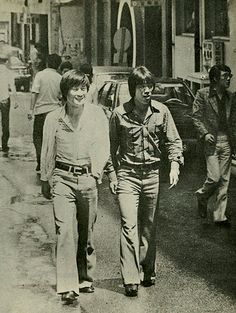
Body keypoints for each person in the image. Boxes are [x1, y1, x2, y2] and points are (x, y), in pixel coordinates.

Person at [109, 66, 183, 297]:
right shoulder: (120, 114)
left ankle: (147, 271)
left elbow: (174, 141)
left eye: (149, 86)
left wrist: (174, 165)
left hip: (152, 175)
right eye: (142, 87)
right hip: (128, 176)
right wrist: (112, 175)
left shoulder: (161, 112)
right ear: (133, 90)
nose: (147, 91)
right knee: (129, 226)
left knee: (149, 228)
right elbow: (110, 149)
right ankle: (130, 278)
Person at [40, 69, 110, 305]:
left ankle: (85, 276)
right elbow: (47, 149)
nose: (80, 93)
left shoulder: (97, 115)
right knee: (64, 231)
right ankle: (68, 285)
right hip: (62, 178)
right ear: (65, 92)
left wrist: (96, 174)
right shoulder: (53, 118)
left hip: (87, 177)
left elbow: (103, 146)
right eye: (75, 88)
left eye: (83, 88)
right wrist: (45, 178)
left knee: (87, 232)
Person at [192, 64, 236, 226]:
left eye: (229, 75)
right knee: (214, 177)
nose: (229, 79)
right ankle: (202, 196)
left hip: (227, 142)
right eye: (225, 76)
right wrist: (205, 133)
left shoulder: (231, 97)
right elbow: (196, 117)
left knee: (224, 181)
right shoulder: (202, 95)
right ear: (215, 79)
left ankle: (220, 216)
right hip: (211, 142)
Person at [28, 53, 62, 172]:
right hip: (54, 112)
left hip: (40, 112)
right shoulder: (59, 78)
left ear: (47, 63)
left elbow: (34, 92)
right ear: (58, 65)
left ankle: (40, 161)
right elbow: (61, 96)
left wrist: (31, 110)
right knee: (52, 139)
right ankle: (50, 162)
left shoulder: (40, 75)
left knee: (38, 137)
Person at [0, 55, 18, 155]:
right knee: (5, 122)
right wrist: (15, 100)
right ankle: (4, 144)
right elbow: (12, 87)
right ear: (6, 61)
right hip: (5, 99)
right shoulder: (8, 72)